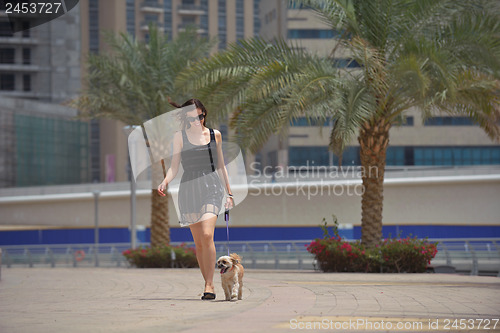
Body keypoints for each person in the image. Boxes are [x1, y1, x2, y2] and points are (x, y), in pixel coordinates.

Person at [157, 98, 234, 300]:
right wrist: (164, 182)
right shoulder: (179, 137)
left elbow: (221, 165)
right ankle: (207, 283)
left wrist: (230, 192)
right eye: (191, 118)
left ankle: (210, 285)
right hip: (189, 188)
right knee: (199, 243)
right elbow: (174, 167)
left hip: (211, 187)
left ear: (204, 114)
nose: (196, 121)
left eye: (199, 116)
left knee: (207, 235)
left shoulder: (214, 135)